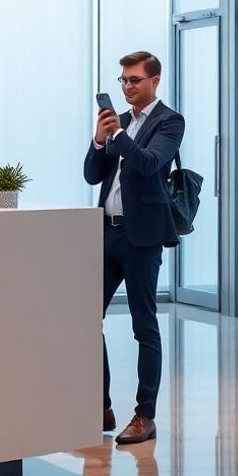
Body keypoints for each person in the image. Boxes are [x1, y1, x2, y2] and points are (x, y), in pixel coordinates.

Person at [83, 50, 184, 445]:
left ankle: (145, 415)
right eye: (123, 81)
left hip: (142, 238)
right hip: (106, 234)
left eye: (135, 80)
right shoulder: (119, 123)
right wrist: (99, 138)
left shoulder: (169, 121)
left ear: (154, 81)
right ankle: (101, 406)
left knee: (145, 326)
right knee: (87, 319)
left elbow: (148, 163)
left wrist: (120, 138)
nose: (127, 87)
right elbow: (93, 175)